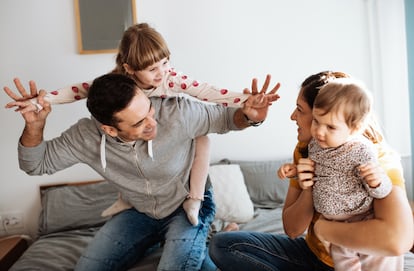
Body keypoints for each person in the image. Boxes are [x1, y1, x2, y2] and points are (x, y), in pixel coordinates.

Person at [5, 72, 280, 270]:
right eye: (139, 123)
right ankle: (184, 239)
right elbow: (35, 164)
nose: (153, 123)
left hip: (186, 208)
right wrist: (35, 126)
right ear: (109, 129)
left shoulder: (175, 112)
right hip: (139, 213)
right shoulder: (85, 137)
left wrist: (249, 116)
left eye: (149, 110)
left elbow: (226, 118)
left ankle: (206, 236)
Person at [4, 22, 251, 226]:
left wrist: (247, 100)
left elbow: (211, 93)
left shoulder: (173, 84)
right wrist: (41, 102)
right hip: (140, 196)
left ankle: (197, 202)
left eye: (165, 63)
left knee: (202, 139)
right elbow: (76, 91)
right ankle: (128, 200)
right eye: (152, 68)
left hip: (183, 158)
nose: (162, 73)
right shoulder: (113, 88)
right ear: (129, 70)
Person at [209, 71, 413, 271]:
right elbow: (292, 230)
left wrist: (324, 229)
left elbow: (398, 241)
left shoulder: (376, 157)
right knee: (224, 245)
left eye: (300, 109)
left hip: (358, 259)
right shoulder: (307, 150)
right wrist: (309, 189)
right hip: (313, 255)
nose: (292, 117)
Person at [308, 78, 397, 270]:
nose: (319, 131)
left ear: (355, 129)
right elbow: (317, 173)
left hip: (361, 222)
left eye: (330, 127)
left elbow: (383, 192)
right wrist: (295, 171)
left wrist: (376, 182)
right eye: (316, 121)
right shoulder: (315, 145)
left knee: (378, 263)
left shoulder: (361, 152)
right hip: (335, 230)